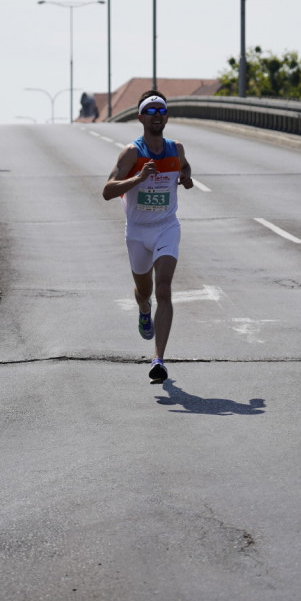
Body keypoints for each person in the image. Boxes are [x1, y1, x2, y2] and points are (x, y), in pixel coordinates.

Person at [103, 90, 194, 382]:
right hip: (138, 232)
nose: (157, 116)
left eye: (161, 111)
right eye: (150, 111)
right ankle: (144, 308)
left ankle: (158, 360)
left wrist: (186, 177)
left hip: (167, 227)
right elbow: (107, 190)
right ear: (141, 117)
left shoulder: (175, 149)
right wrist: (138, 179)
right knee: (145, 291)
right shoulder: (132, 152)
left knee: (164, 288)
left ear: (166, 117)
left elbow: (185, 166)